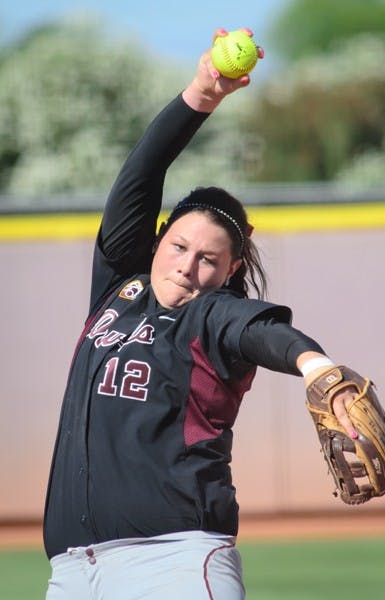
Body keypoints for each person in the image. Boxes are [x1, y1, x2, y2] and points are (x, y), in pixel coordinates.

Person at [44, 28, 358, 600]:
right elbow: (138, 177)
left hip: (175, 562)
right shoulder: (119, 288)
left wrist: (316, 366)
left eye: (210, 258)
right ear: (157, 241)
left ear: (230, 271)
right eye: (180, 246)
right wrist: (200, 95)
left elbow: (265, 333)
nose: (189, 265)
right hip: (72, 573)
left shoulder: (213, 317)